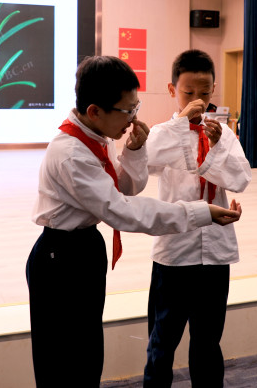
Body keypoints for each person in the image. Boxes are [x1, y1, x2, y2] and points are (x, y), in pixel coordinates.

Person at [25, 55, 243, 388]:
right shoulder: (72, 153)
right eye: (128, 111)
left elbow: (125, 186)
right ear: (96, 110)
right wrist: (201, 212)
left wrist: (136, 149)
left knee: (87, 356)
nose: (132, 120)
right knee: (63, 362)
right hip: (61, 256)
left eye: (136, 108)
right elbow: (123, 209)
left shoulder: (96, 139)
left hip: (87, 248)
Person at [142, 49, 252, 388]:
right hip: (175, 252)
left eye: (204, 92)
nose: (197, 99)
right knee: (163, 341)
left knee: (207, 342)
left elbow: (240, 180)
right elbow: (146, 162)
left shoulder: (224, 133)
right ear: (172, 90)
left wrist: (218, 147)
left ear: (214, 89)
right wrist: (180, 124)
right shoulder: (164, 131)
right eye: (188, 92)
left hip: (215, 253)